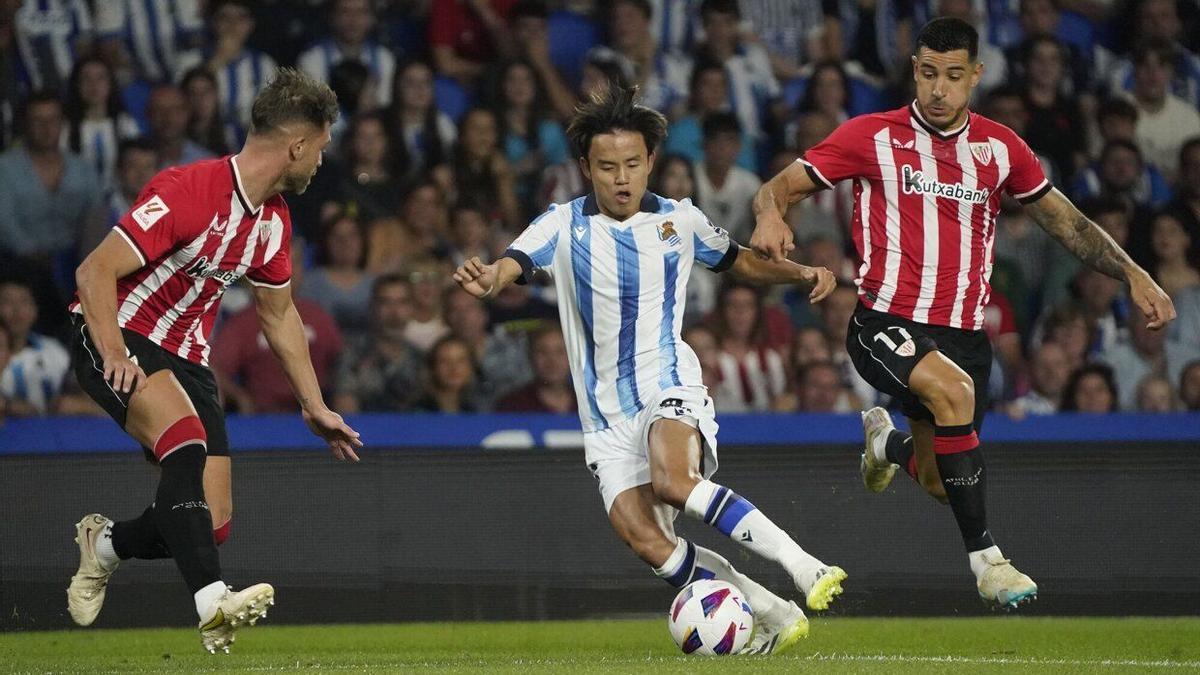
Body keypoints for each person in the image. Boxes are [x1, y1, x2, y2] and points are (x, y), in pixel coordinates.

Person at [748, 18, 1176, 609]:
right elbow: (777, 187)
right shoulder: (870, 136)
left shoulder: (1001, 149)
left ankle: (886, 446)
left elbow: (1067, 223)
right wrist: (771, 213)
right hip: (883, 323)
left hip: (963, 337)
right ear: (914, 72)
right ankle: (988, 563)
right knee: (952, 395)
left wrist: (1133, 272)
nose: (939, 90)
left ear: (975, 76)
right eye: (928, 74)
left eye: (953, 76)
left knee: (938, 482)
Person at [453, 84, 845, 656]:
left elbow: (740, 262)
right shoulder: (562, 225)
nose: (621, 177)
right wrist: (488, 278)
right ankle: (773, 610)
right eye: (607, 166)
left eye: (633, 164)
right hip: (605, 417)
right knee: (649, 541)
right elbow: (509, 265)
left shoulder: (679, 220)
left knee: (674, 481)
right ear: (586, 167)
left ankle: (804, 566)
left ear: (650, 163)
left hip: (668, 382)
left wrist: (802, 273)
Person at [65, 68, 361, 654]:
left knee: (208, 521)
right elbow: (93, 270)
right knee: (185, 441)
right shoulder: (188, 189)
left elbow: (280, 318)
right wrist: (113, 352)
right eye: (321, 148)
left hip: (187, 357)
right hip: (114, 330)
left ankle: (105, 546)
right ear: (297, 146)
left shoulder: (273, 222)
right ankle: (212, 604)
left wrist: (314, 404)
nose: (320, 162)